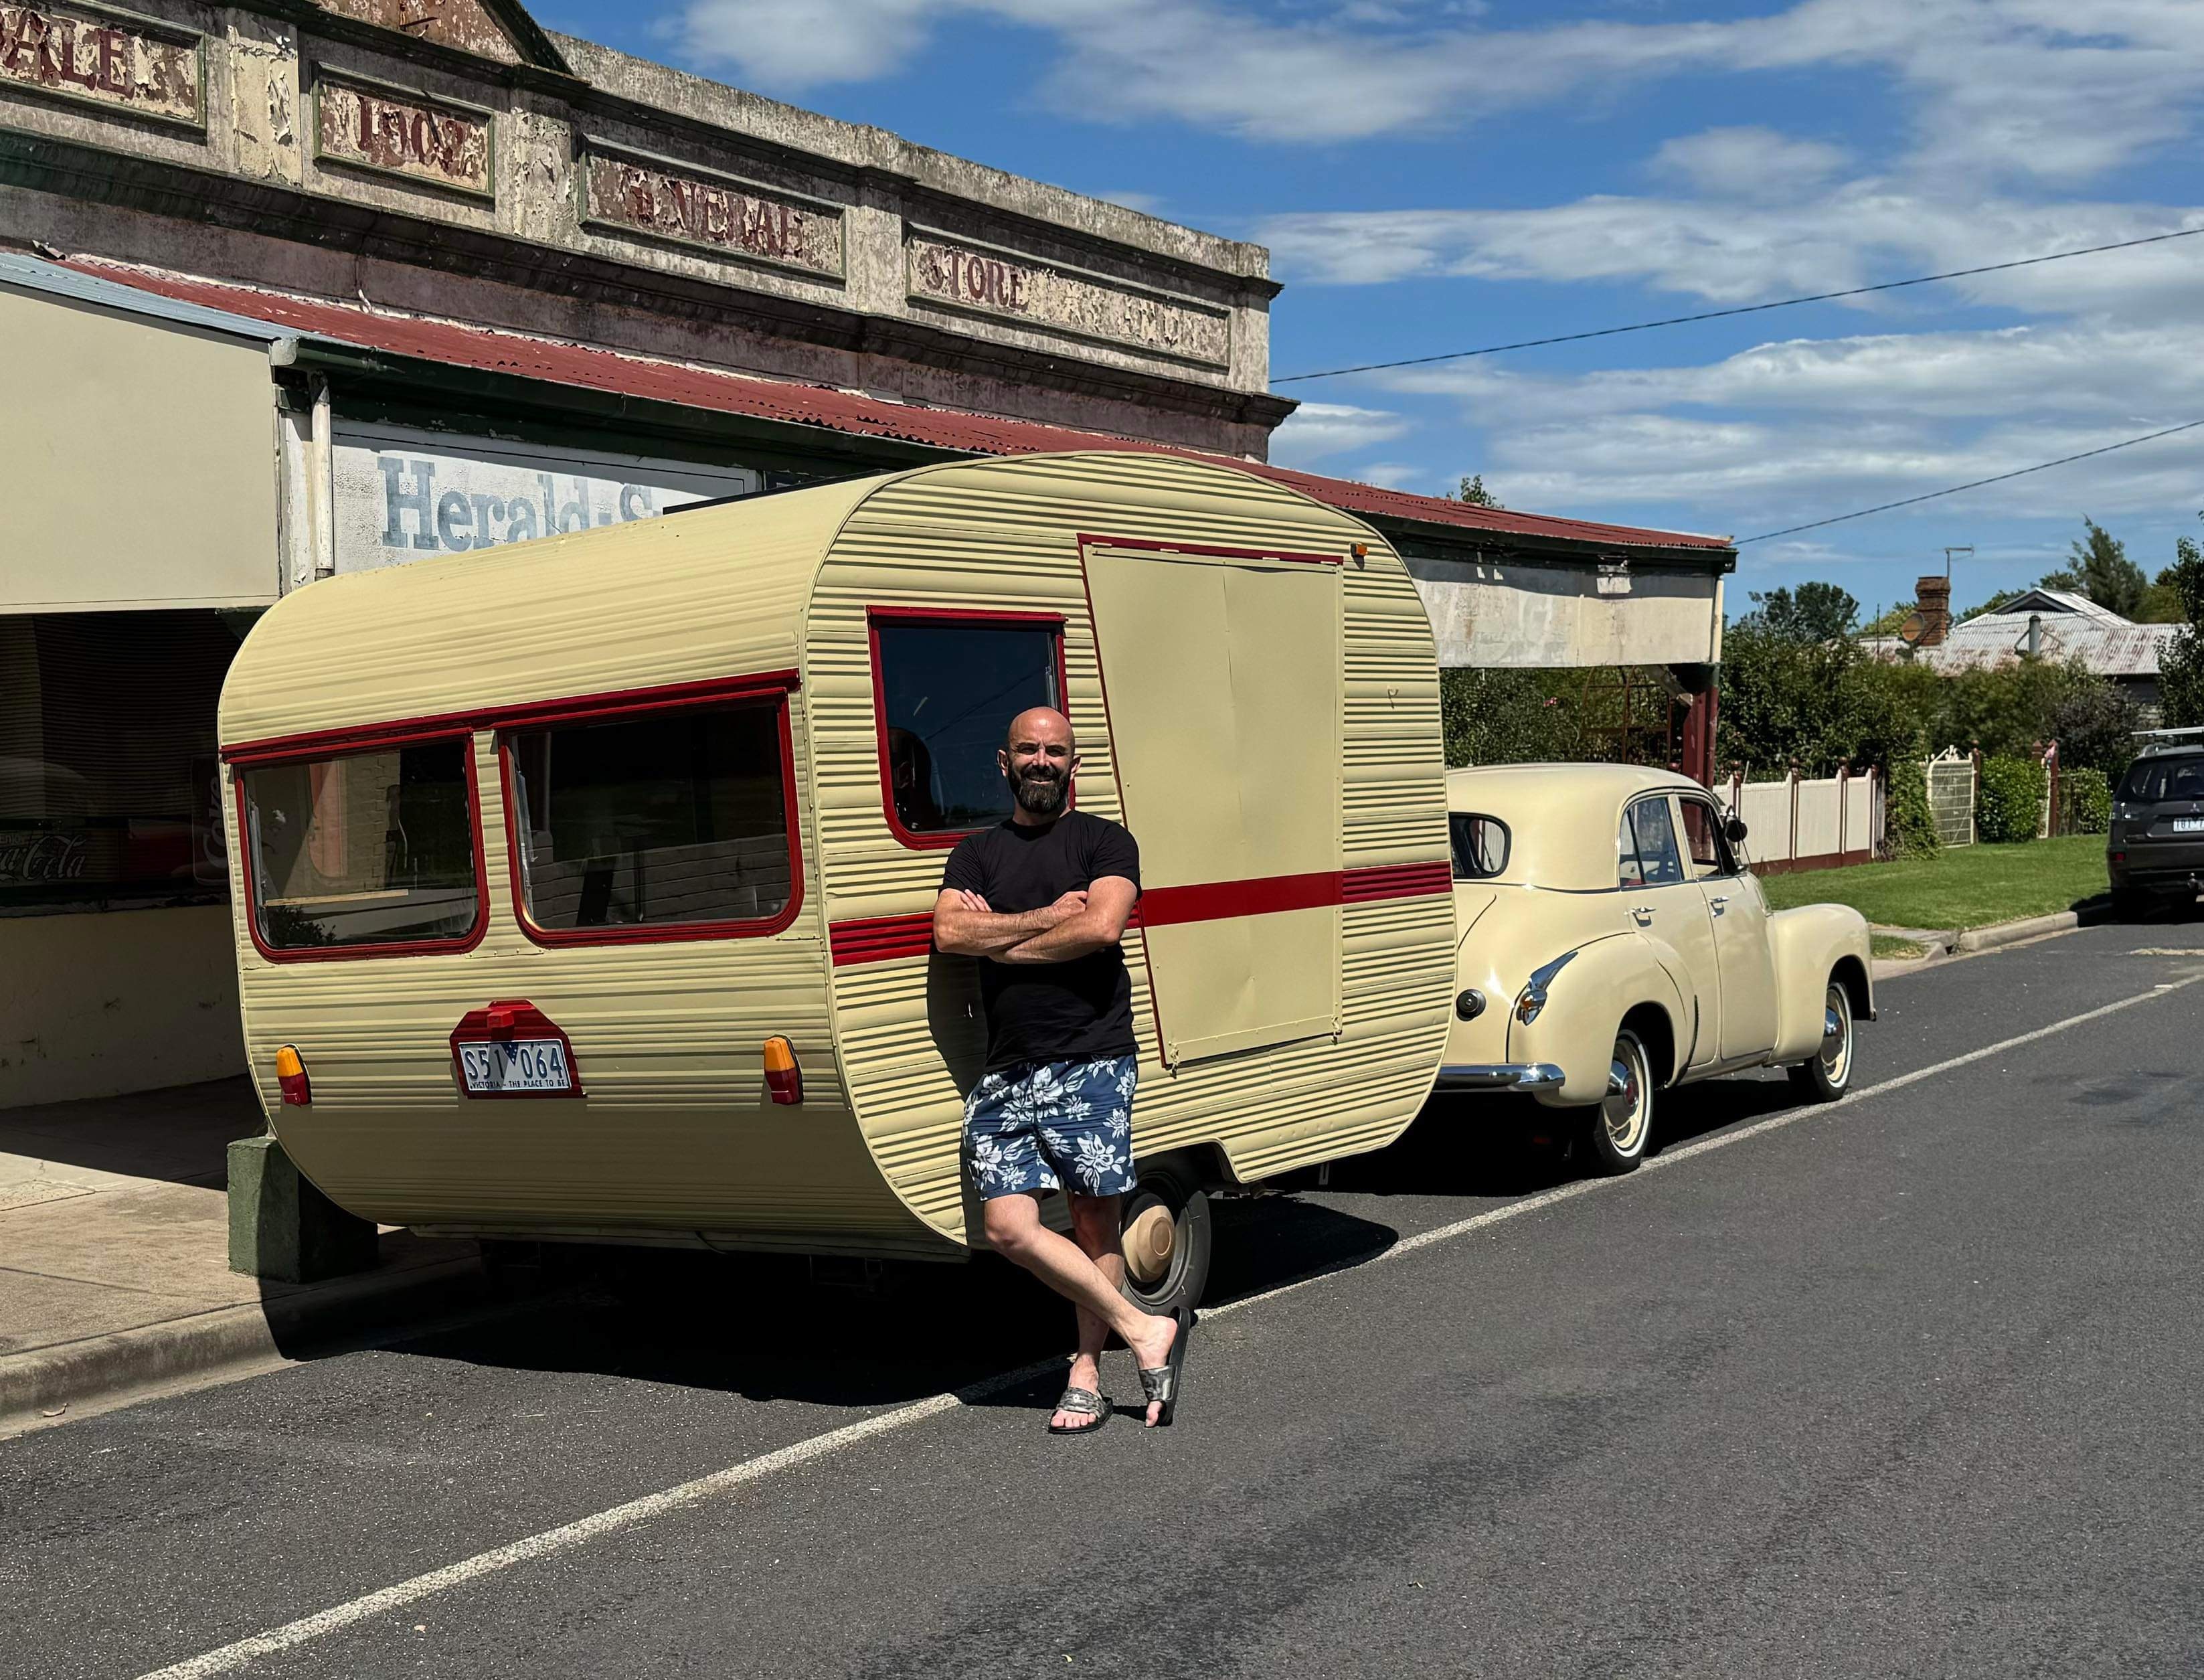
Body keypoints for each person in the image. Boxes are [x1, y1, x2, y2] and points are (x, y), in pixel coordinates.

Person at [931, 706, 1190, 1433]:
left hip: (1092, 1055)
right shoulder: (975, 853)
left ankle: (1085, 1370)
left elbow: (1101, 926)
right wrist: (1048, 915)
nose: (1040, 761)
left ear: (1074, 765)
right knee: (1008, 1227)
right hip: (1008, 1066)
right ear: (1004, 762)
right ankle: (1146, 1327)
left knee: (1091, 1219)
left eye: (1054, 751)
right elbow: (948, 930)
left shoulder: (1104, 841)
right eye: (1028, 749)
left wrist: (997, 939)